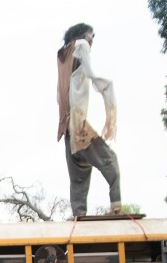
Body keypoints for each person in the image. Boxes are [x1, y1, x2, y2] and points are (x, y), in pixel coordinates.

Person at [57, 23, 121, 217]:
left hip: (66, 129)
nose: (91, 41)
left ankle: (79, 215)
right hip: (78, 125)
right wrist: (107, 89)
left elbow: (59, 94)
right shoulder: (80, 46)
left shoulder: (61, 56)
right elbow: (92, 75)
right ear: (81, 35)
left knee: (78, 179)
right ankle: (116, 208)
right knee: (110, 162)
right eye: (90, 36)